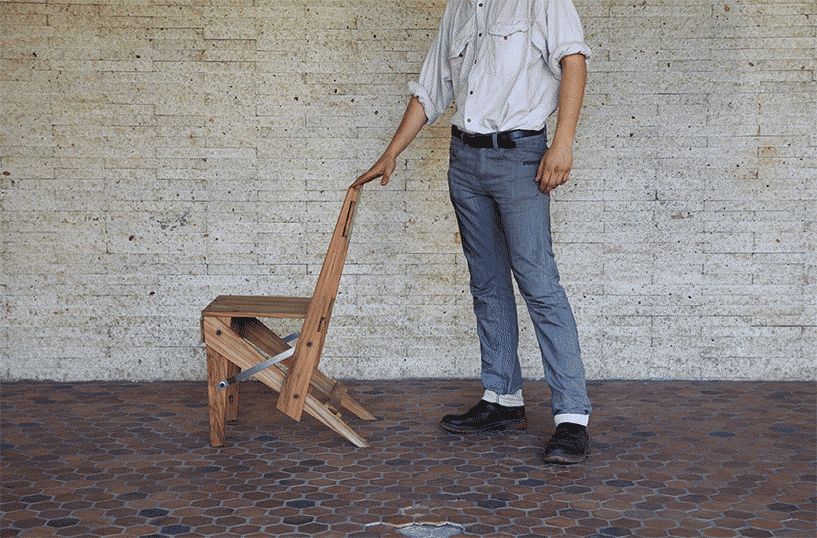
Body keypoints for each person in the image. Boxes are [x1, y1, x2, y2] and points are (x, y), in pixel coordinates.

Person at [353, 0, 593, 464]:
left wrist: (562, 143)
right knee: (486, 283)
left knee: (539, 283)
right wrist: (391, 153)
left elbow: (573, 61)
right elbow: (431, 87)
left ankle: (572, 418)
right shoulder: (459, 7)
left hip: (521, 156)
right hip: (464, 159)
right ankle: (502, 398)